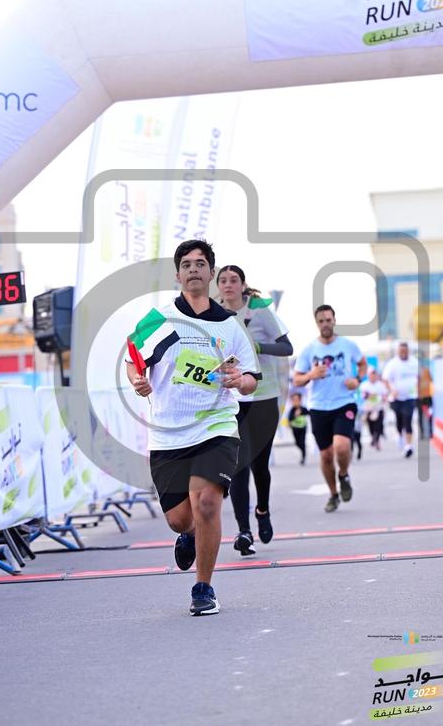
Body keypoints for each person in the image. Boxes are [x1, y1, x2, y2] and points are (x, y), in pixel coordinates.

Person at [126, 240, 259, 616]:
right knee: (180, 519)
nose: (194, 269)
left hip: (216, 427)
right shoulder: (161, 318)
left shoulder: (229, 325)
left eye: (201, 264)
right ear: (178, 274)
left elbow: (252, 378)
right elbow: (133, 359)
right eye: (186, 264)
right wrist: (137, 381)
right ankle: (187, 534)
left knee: (207, 503)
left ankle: (204, 587)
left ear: (211, 273)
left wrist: (240, 380)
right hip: (168, 432)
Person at [217, 265, 293, 555]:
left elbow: (286, 348)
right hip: (232, 400)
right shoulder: (215, 314)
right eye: (223, 280)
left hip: (264, 397)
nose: (228, 285)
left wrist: (257, 348)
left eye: (233, 280)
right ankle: (243, 530)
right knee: (239, 465)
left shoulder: (259, 312)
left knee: (260, 465)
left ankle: (262, 510)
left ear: (242, 284)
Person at [293, 305, 367, 513]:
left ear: (334, 320)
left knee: (342, 447)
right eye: (321, 321)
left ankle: (343, 474)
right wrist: (311, 375)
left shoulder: (348, 345)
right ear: (316, 323)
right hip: (318, 407)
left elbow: (362, 364)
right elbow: (297, 379)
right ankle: (334, 494)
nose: (325, 324)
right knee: (326, 455)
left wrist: (357, 379)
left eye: (328, 320)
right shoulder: (309, 350)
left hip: (344, 403)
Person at [382, 342, 418, 458]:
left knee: (408, 418)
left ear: (408, 351)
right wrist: (392, 390)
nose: (403, 353)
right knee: (399, 419)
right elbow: (385, 379)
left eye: (405, 351)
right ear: (398, 352)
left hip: (410, 396)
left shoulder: (414, 362)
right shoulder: (393, 364)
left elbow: (419, 377)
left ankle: (408, 446)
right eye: (401, 351)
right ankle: (399, 435)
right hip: (396, 398)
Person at [362, 368, 387, 450]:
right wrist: (372, 396)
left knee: (379, 425)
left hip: (379, 408)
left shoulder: (380, 385)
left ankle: (376, 439)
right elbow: (363, 396)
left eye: (374, 374)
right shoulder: (364, 385)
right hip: (369, 408)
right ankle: (373, 437)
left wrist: (374, 396)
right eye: (371, 374)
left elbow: (384, 396)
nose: (373, 376)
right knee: (370, 425)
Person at [288, 392, 309, 465]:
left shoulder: (303, 409)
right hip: (295, 429)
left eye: (297, 400)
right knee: (297, 443)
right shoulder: (292, 410)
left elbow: (310, 414)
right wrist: (295, 415)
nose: (295, 401)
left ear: (300, 400)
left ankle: (303, 457)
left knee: (302, 442)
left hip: (303, 428)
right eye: (294, 400)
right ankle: (302, 449)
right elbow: (289, 419)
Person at [418, 365, 434, 439]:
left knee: (429, 414)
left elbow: (431, 381)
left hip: (427, 397)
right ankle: (422, 433)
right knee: (420, 416)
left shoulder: (426, 371)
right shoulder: (414, 373)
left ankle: (430, 432)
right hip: (419, 398)